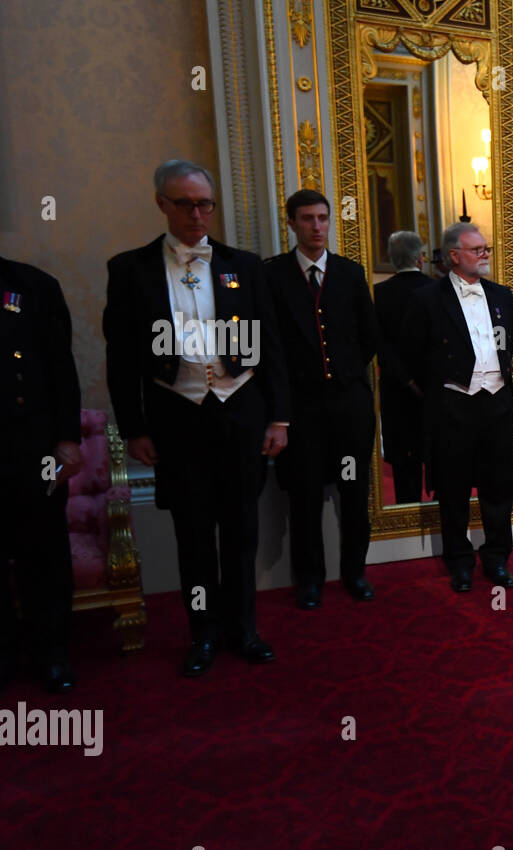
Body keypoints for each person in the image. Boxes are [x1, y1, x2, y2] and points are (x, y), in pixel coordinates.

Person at [104, 159, 289, 676]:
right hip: (177, 417)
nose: (196, 213)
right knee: (192, 535)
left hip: (240, 414)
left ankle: (244, 629)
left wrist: (279, 418)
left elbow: (269, 344)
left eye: (205, 203)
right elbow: (120, 357)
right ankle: (202, 633)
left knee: (241, 530)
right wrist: (133, 426)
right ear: (161, 203)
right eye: (184, 203)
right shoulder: (130, 269)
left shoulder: (245, 265)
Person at [264, 189, 382, 609]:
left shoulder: (350, 273)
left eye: (323, 218)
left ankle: (355, 572)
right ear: (292, 223)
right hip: (300, 413)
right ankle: (309, 579)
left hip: (349, 411)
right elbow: (267, 344)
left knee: (354, 495)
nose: (317, 227)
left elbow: (370, 336)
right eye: (308, 219)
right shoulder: (272, 275)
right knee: (305, 498)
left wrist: (345, 373)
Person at [400, 223, 513, 593]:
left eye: (486, 248)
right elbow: (411, 354)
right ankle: (459, 562)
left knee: (498, 487)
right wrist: (439, 390)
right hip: (453, 406)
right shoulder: (427, 298)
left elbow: (506, 344)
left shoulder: (502, 295)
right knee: (453, 490)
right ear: (453, 256)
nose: (485, 255)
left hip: (497, 403)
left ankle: (497, 558)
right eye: (476, 249)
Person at [0, 256, 81, 693]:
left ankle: (51, 652)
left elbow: (60, 369)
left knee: (44, 554)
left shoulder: (32, 285)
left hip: (32, 447)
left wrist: (68, 439)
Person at [373, 230, 432, 503]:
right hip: (435, 389)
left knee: (404, 462)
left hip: (396, 389)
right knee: (438, 455)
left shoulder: (379, 293)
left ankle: (405, 516)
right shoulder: (437, 289)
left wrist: (407, 380)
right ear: (420, 258)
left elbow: (380, 345)